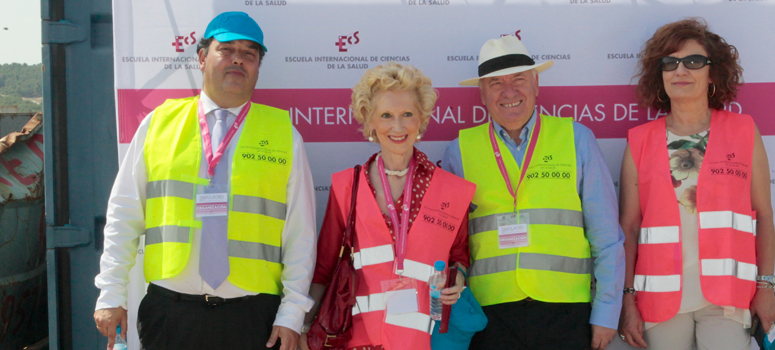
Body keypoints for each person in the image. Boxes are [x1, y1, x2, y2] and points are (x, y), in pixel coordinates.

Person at [93, 11, 316, 350]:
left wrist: (292, 314)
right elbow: (124, 213)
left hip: (254, 318)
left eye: (249, 54)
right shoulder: (159, 124)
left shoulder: (284, 135)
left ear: (257, 66)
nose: (237, 60)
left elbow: (300, 234)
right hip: (170, 314)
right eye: (226, 49)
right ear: (201, 57)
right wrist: (110, 293)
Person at [441, 35, 625, 350]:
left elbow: (607, 236)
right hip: (489, 313)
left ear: (536, 83)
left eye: (519, 79)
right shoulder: (459, 151)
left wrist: (607, 313)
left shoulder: (576, 138)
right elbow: (450, 245)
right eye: (496, 83)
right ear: (482, 93)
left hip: (566, 310)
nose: (509, 91)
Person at [617, 18, 775, 350]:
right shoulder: (639, 141)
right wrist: (627, 298)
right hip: (660, 300)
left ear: (712, 73)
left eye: (693, 61)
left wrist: (766, 287)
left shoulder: (744, 130)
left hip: (728, 299)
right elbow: (629, 228)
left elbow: (764, 216)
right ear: (659, 76)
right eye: (669, 63)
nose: (680, 71)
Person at [301, 62, 476, 350]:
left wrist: (459, 280)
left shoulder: (451, 189)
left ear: (421, 119)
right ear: (369, 121)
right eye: (386, 115)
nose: (397, 126)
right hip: (358, 341)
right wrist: (304, 327)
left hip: (426, 341)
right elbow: (324, 269)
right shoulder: (348, 186)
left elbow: (460, 256)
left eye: (407, 114)